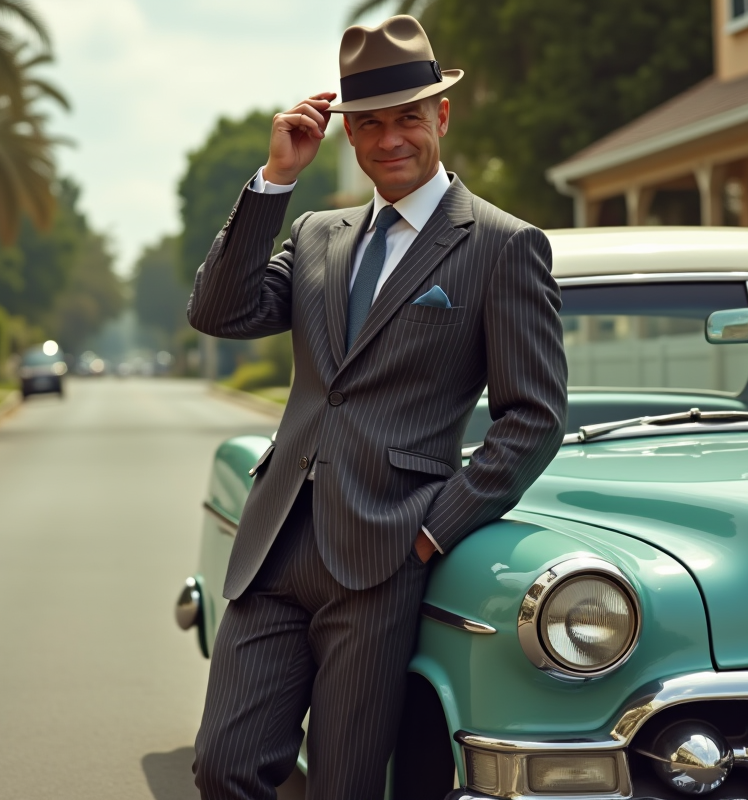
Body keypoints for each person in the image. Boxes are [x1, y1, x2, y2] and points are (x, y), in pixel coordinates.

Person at [187, 14, 568, 800]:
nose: (390, 139)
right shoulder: (317, 232)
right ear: (348, 136)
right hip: (276, 546)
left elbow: (532, 416)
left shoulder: (502, 245)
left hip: (385, 557)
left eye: (407, 118)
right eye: (368, 125)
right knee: (223, 766)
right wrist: (276, 181)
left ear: (442, 118)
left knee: (345, 783)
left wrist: (432, 532)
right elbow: (219, 312)